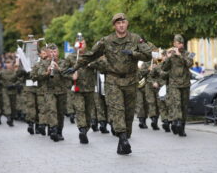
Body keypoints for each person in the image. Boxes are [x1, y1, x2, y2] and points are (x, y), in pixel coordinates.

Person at [64, 13, 152, 155]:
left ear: (127, 24)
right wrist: (75, 67)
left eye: (123, 22)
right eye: (118, 23)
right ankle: (123, 138)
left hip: (130, 80)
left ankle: (123, 138)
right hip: (113, 80)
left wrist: (134, 54)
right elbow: (91, 55)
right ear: (114, 26)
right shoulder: (106, 41)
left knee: (129, 113)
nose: (121, 25)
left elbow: (148, 55)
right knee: (117, 110)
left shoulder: (136, 38)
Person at [162, 34, 193, 137]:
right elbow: (164, 68)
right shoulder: (171, 54)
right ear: (174, 43)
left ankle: (182, 127)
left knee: (184, 106)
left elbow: (189, 64)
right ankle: (177, 121)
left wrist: (180, 55)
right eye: (177, 43)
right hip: (174, 84)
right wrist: (168, 57)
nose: (179, 45)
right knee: (177, 103)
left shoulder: (188, 53)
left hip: (185, 84)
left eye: (181, 43)